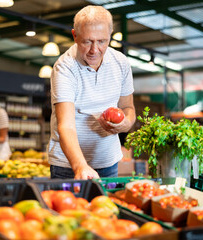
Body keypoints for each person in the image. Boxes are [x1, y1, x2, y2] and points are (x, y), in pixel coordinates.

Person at [47, 5, 136, 180]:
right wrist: (80, 166)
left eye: (102, 41)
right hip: (68, 165)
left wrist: (126, 125)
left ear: (110, 35)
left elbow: (128, 107)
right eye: (87, 41)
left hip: (108, 162)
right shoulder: (64, 67)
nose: (94, 50)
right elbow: (66, 125)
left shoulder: (121, 63)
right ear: (74, 36)